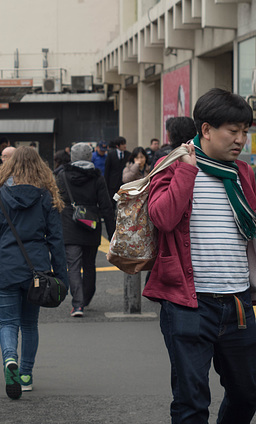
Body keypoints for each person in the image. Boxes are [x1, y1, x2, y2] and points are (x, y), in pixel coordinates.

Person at [144, 88, 256, 423]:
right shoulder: (173, 165)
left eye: (245, 132)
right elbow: (161, 217)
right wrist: (187, 171)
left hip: (237, 300)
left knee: (247, 392)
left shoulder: (243, 173)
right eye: (232, 131)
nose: (240, 140)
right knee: (191, 401)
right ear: (206, 130)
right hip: (188, 303)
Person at [0, 146, 68, 398]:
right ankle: (26, 375)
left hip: (5, 269)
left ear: (10, 167)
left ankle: (10, 361)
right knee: (29, 325)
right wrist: (61, 276)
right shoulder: (46, 197)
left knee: (8, 322)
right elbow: (56, 241)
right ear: (39, 166)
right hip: (36, 272)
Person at [56, 143, 115, 317]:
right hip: (91, 224)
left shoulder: (62, 175)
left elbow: (55, 202)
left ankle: (78, 304)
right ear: (90, 157)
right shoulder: (97, 177)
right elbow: (106, 207)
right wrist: (113, 235)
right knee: (89, 265)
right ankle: (86, 298)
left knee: (73, 265)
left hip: (68, 223)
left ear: (72, 157)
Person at [104, 137, 131, 207]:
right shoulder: (111, 154)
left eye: (125, 143)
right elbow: (107, 170)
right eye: (122, 144)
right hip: (113, 183)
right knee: (112, 202)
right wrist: (106, 183)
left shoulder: (128, 154)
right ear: (117, 146)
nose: (125, 146)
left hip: (124, 183)